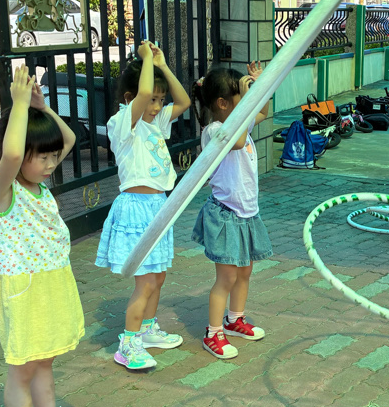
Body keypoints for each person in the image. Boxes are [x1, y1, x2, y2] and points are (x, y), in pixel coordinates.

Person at [0, 66, 93, 407]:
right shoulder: (0, 189)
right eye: (41, 156)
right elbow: (11, 155)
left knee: (44, 361)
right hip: (24, 290)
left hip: (51, 283)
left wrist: (41, 109)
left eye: (51, 157)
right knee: (22, 368)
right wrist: (18, 106)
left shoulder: (39, 187)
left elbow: (69, 139)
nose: (50, 164)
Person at [96, 41, 191, 371]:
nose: (157, 105)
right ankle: (128, 343)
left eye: (160, 100)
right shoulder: (124, 122)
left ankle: (147, 330)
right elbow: (144, 92)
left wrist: (162, 65)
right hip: (136, 208)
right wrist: (146, 59)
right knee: (146, 281)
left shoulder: (156, 123)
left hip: (158, 206)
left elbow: (184, 101)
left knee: (159, 276)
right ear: (130, 98)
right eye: (152, 99)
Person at [190, 64, 274, 359]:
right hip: (226, 215)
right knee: (226, 277)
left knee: (245, 272)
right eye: (242, 97)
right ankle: (213, 333)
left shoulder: (239, 122)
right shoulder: (216, 131)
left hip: (246, 213)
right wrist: (248, 101)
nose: (248, 101)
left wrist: (261, 87)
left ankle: (235, 319)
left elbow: (262, 112)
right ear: (223, 104)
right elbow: (237, 142)